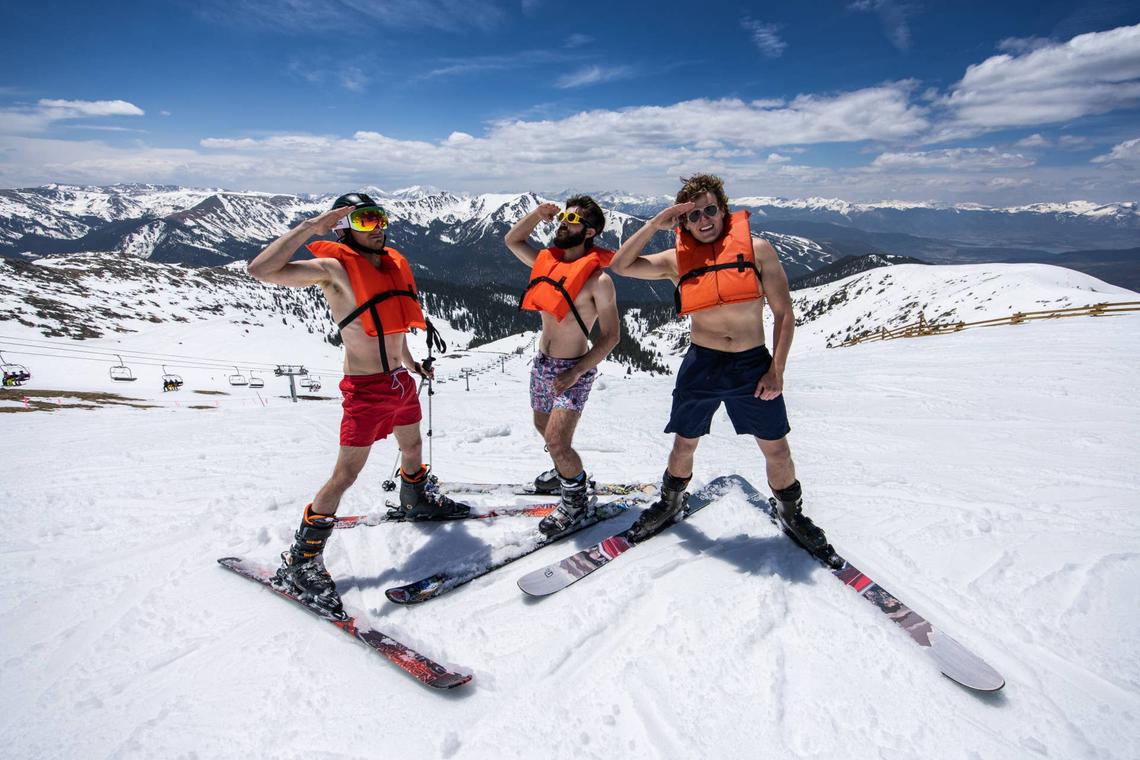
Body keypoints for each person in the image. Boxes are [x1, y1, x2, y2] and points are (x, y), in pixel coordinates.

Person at [247, 192, 469, 617]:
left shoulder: (389, 267)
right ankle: (303, 559)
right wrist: (310, 228)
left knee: (412, 445)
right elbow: (261, 270)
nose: (378, 226)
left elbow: (392, 326)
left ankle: (415, 496)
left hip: (399, 381)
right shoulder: (333, 268)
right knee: (346, 473)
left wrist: (410, 365)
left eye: (380, 217)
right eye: (365, 220)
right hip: (365, 387)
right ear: (345, 228)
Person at [609, 174, 835, 560]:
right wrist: (652, 224)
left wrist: (776, 370)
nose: (704, 219)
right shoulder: (676, 259)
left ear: (724, 209)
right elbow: (620, 265)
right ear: (683, 221)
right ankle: (670, 502)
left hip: (752, 364)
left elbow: (784, 314)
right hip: (703, 363)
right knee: (684, 441)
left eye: (710, 209)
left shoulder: (758, 250)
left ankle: (790, 512)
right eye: (693, 215)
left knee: (776, 449)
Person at [504, 196, 620, 536]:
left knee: (557, 440)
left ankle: (575, 499)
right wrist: (537, 215)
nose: (563, 222)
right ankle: (562, 471)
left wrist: (578, 370)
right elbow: (513, 240)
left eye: (572, 219)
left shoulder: (599, 281)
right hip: (542, 364)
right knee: (543, 427)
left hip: (574, 369)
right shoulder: (547, 263)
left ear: (590, 232)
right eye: (563, 217)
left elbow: (611, 337)